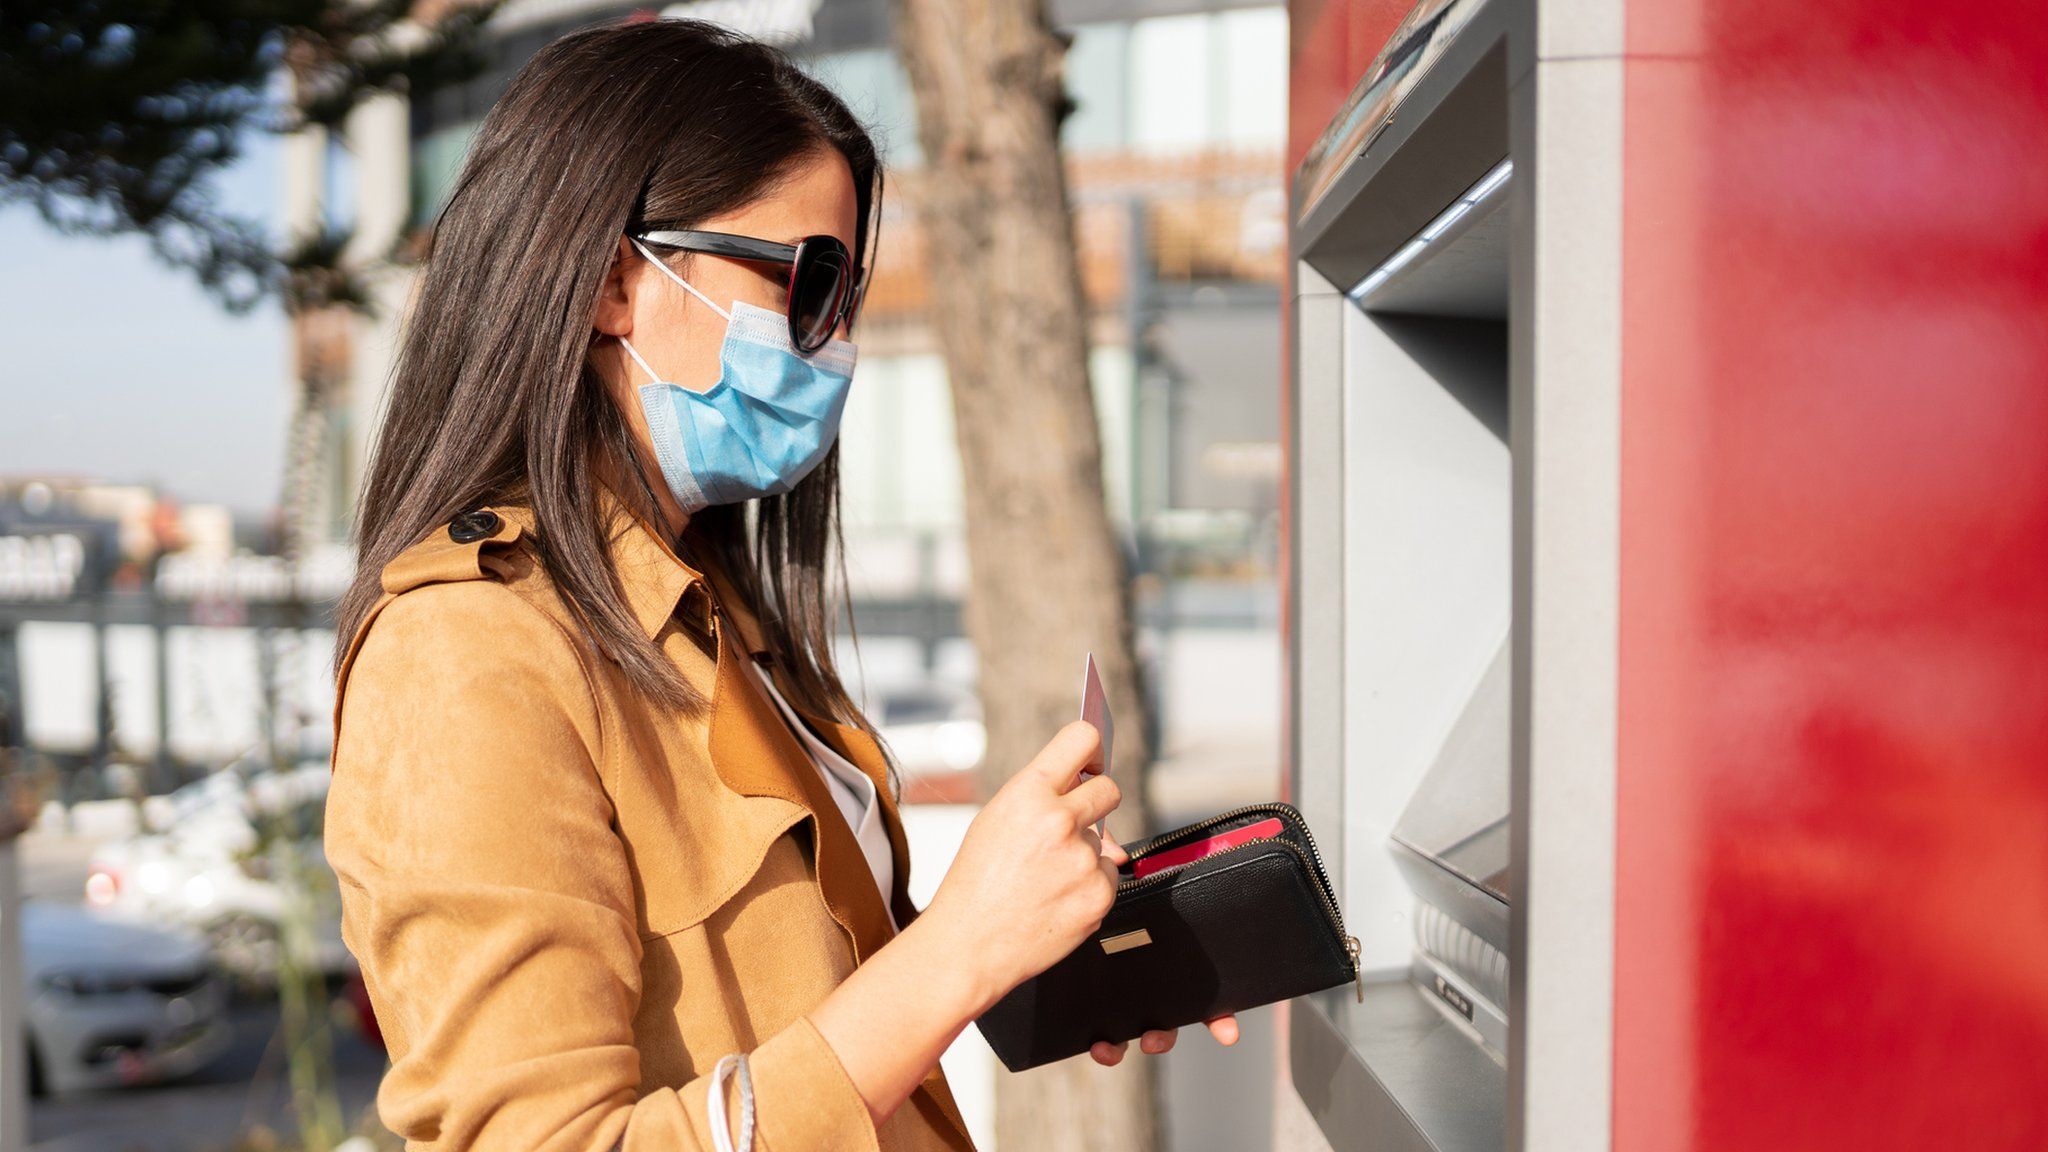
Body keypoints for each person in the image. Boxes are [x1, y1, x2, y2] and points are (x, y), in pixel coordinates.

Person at [321, 18, 1237, 1152]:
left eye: (843, 298)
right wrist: (956, 951)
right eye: (806, 284)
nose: (832, 342)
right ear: (614, 280)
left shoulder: (707, 614)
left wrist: (1034, 951)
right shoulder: (466, 648)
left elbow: (794, 1001)